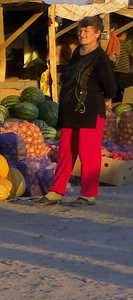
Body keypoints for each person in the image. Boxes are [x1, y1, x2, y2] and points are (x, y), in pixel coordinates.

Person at [38, 16, 119, 207]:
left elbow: (111, 89)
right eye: (80, 31)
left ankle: (88, 194)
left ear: (97, 34)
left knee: (88, 153)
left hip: (90, 112)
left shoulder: (100, 59)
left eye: (87, 31)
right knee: (66, 151)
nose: (82, 34)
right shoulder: (76, 53)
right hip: (70, 111)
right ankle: (56, 191)